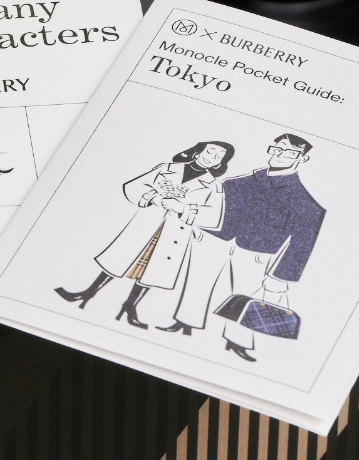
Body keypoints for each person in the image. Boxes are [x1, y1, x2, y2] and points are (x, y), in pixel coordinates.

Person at [55, 140, 233, 330]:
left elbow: (214, 218)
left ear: (219, 163)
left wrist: (182, 208)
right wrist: (154, 197)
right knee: (120, 258)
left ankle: (129, 308)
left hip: (175, 234)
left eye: (218, 156)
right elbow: (133, 186)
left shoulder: (214, 186)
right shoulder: (167, 168)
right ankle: (87, 293)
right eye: (210, 151)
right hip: (148, 224)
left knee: (153, 270)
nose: (212, 157)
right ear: (197, 152)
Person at [178, 133, 325, 361]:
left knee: (246, 298)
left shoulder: (305, 203)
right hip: (215, 241)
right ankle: (184, 322)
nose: (279, 155)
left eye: (288, 152)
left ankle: (237, 342)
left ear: (302, 158)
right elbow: (215, 207)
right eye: (276, 149)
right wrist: (198, 226)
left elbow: (302, 242)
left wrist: (281, 276)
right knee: (198, 281)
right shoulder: (236, 183)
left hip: (255, 254)